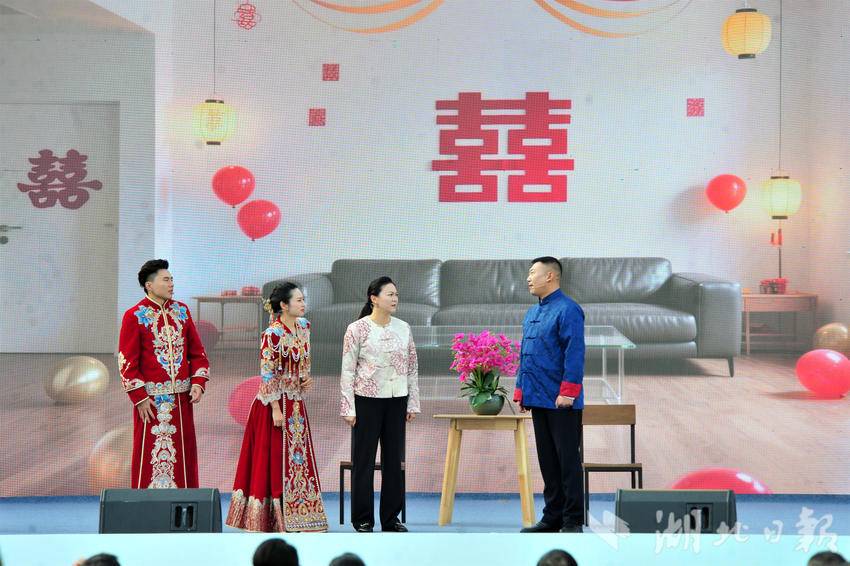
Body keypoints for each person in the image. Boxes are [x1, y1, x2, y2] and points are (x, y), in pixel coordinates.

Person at [226, 282, 328, 532]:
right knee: (274, 458)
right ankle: (273, 518)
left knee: (297, 457)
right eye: (299, 300)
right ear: (284, 305)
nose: (303, 304)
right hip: (273, 405)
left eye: (303, 300)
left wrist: (305, 379)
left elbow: (303, 362)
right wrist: (275, 408)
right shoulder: (271, 334)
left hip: (296, 403)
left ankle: (301, 513)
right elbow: (267, 373)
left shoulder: (304, 327)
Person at [118, 259, 210, 489]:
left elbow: (198, 353)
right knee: (150, 455)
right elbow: (127, 362)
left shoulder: (182, 311)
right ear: (149, 285)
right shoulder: (134, 316)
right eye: (166, 280)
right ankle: (147, 506)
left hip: (182, 401)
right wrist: (139, 397)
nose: (171, 284)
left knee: (184, 455)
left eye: (172, 279)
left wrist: (198, 382)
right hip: (150, 403)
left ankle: (186, 503)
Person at [340, 276, 420, 533]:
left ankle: (390, 518)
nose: (395, 299)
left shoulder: (404, 327)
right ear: (374, 298)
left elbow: (412, 367)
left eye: (396, 294)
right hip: (366, 401)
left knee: (393, 461)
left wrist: (412, 403)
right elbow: (347, 370)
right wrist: (348, 407)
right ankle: (362, 518)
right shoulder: (357, 329)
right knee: (363, 461)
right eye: (390, 294)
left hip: (397, 400)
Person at [514, 257, 585, 533]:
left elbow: (574, 353)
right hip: (538, 398)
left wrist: (568, 392)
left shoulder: (569, 309)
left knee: (567, 462)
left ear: (551, 276)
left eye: (533, 273)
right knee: (548, 462)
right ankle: (552, 517)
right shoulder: (532, 312)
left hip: (561, 401)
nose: (528, 278)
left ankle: (572, 520)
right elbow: (525, 354)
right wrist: (522, 391)